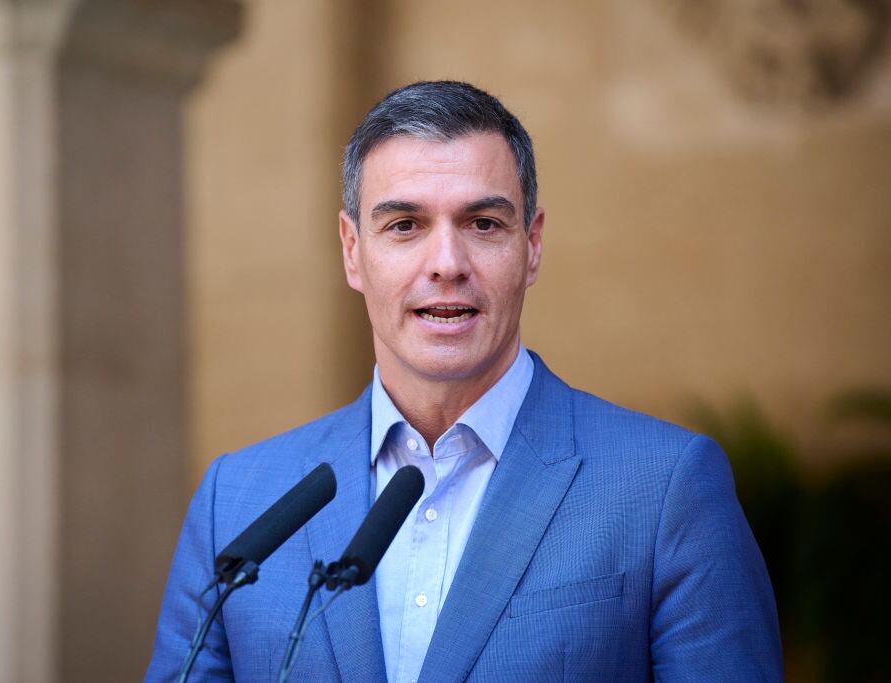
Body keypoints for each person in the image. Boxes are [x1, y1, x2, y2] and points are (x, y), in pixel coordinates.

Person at [146, 81, 783, 682]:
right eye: (404, 225)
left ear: (532, 246)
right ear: (352, 250)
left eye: (483, 224)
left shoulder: (665, 487)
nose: (447, 264)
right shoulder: (238, 502)